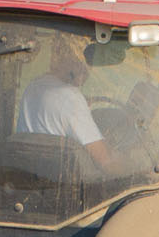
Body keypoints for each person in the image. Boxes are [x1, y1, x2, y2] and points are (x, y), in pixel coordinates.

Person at [13, 34, 115, 173]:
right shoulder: (70, 97)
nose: (88, 68)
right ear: (71, 57)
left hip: (34, 177)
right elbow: (106, 162)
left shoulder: (34, 86)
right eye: (86, 58)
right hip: (65, 185)